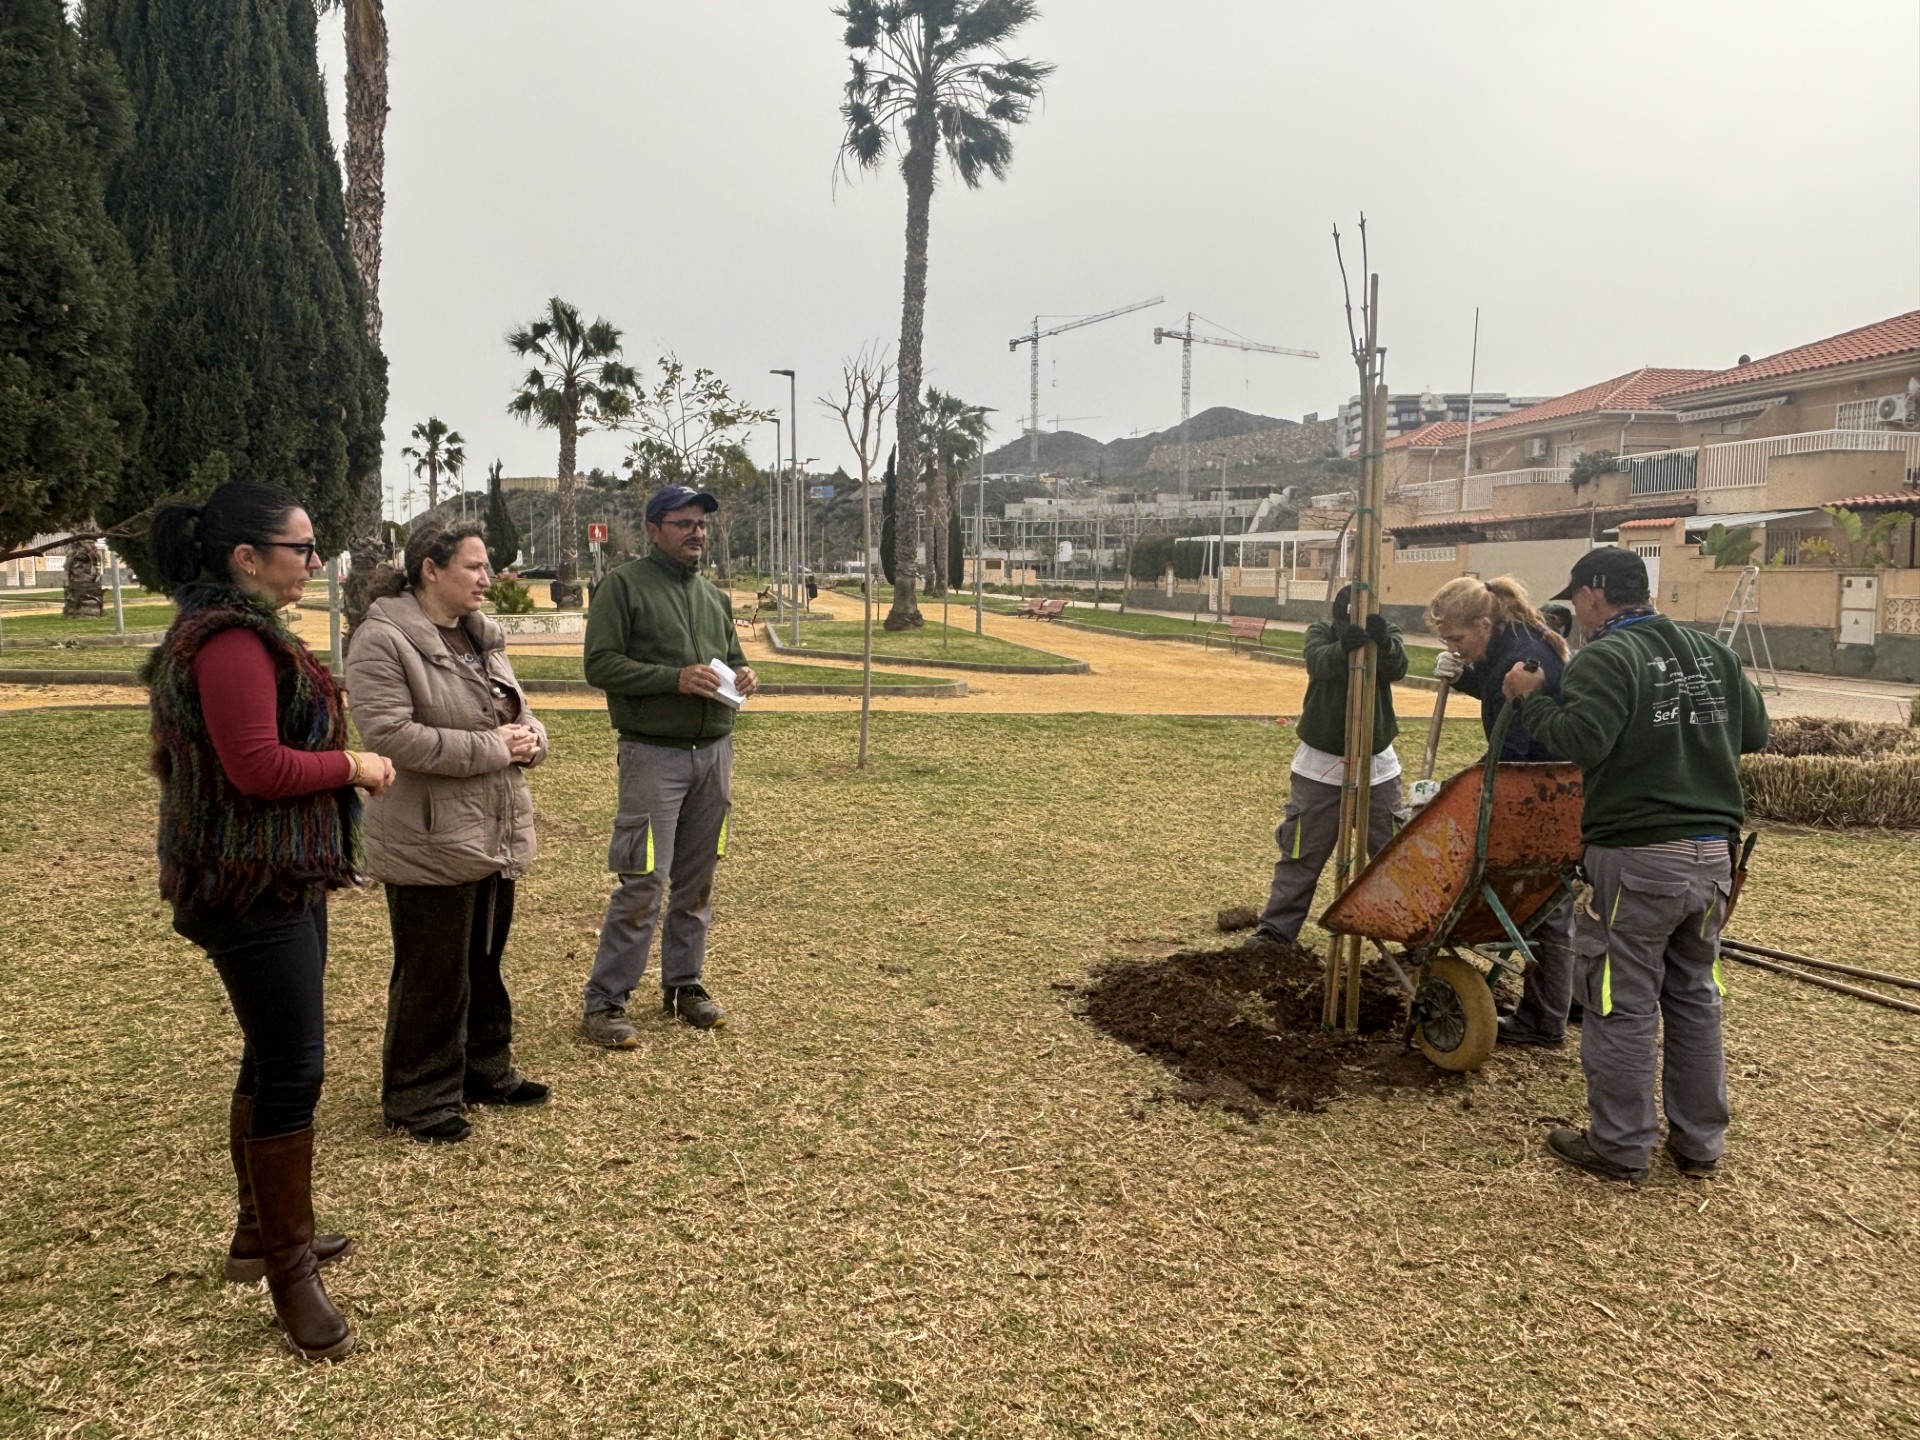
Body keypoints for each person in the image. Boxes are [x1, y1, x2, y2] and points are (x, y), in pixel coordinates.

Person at [142, 481, 395, 1362]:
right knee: (295, 1068)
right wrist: (353, 763)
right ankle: (291, 1273)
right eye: (301, 548)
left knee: (268, 1051)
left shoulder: (239, 633)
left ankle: (260, 1232)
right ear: (246, 559)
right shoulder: (230, 643)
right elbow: (255, 767)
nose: (313, 563)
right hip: (246, 886)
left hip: (276, 876)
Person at [1503, 547, 1769, 1184]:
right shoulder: (1714, 654)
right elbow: (1753, 732)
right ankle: (1699, 1143)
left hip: (1639, 851)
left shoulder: (1607, 656)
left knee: (1620, 998)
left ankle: (1621, 1145)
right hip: (1712, 854)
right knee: (1694, 996)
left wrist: (1530, 700)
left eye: (1576, 600)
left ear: (1596, 593)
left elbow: (1581, 741)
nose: (1577, 613)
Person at [345, 522, 551, 1145]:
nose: (488, 578)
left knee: (483, 962)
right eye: (475, 567)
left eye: (488, 567)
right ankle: (418, 1097)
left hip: (492, 830)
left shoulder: (481, 637)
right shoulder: (382, 640)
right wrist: (493, 747)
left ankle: (484, 1070)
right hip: (427, 839)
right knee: (432, 972)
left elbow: (514, 711)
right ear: (429, 569)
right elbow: (390, 737)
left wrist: (532, 740)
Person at [580, 484, 758, 1045]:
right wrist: (672, 679)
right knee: (644, 881)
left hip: (713, 756)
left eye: (701, 523)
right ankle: (605, 1002)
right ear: (653, 530)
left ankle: (684, 985)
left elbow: (732, 659)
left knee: (698, 879)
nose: (696, 532)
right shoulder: (623, 586)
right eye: (683, 523)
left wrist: (745, 675)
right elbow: (600, 664)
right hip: (652, 754)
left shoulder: (713, 596)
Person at [1428, 575, 1576, 1048]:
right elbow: (1499, 694)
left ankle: (1543, 1019)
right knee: (1548, 904)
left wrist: (1453, 791)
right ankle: (1556, 1005)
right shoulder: (1519, 645)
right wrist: (1466, 676)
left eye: (1458, 638)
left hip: (1534, 793)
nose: (1454, 646)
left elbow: (1509, 752)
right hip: (1550, 789)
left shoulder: (1517, 659)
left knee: (1541, 904)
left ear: (1485, 624)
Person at [1250, 585, 1410, 948]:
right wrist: (1343, 646)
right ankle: (1276, 931)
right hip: (1319, 767)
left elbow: (1398, 666)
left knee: (1394, 855)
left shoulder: (1387, 634)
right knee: (1301, 852)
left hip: (1376, 767)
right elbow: (1318, 662)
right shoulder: (1321, 632)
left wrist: (1380, 642)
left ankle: (1414, 935)